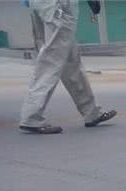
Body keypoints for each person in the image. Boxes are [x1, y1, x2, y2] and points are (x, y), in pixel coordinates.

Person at [19, 0, 116, 134]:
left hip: (41, 5)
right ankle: (31, 116)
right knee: (51, 61)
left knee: (70, 62)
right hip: (59, 6)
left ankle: (91, 112)